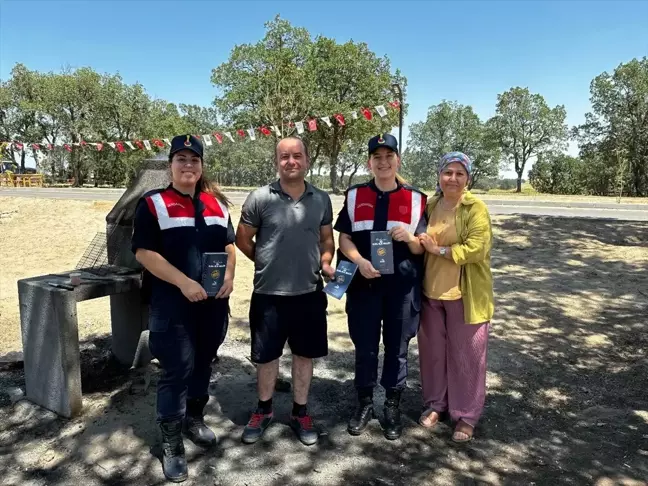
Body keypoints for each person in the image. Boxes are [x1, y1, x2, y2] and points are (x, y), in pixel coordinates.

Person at [131, 134, 236, 482]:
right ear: (171, 165)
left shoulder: (216, 204)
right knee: (177, 369)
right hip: (173, 304)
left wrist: (230, 277)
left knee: (204, 362)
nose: (187, 165)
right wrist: (183, 282)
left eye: (194, 159)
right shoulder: (153, 203)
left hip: (213, 304)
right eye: (181, 159)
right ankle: (171, 442)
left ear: (202, 165)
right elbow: (144, 253)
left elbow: (229, 246)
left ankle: (194, 417)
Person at [235, 136, 335, 446]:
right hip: (268, 294)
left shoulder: (321, 199)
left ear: (307, 160)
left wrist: (327, 261)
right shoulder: (259, 198)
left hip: (308, 294)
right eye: (284, 157)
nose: (291, 162)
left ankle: (300, 412)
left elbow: (326, 240)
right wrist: (265, 261)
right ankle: (263, 410)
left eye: (297, 156)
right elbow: (242, 239)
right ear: (276, 161)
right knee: (267, 357)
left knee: (304, 356)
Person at [333, 133, 428, 440]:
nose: (383, 162)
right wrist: (359, 261)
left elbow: (421, 248)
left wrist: (411, 239)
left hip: (402, 288)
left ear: (397, 160)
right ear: (369, 162)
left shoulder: (417, 199)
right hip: (364, 286)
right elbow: (344, 237)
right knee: (365, 348)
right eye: (377, 157)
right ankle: (364, 404)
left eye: (389, 156)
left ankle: (391, 404)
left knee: (397, 349)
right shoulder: (355, 194)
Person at [416, 151, 494, 443]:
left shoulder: (475, 207)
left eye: (459, 173)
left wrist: (442, 251)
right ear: (439, 175)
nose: (453, 178)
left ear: (468, 178)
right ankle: (436, 404)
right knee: (433, 354)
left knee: (467, 357)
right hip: (431, 292)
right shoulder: (431, 204)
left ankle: (466, 415)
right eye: (448, 172)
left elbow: (478, 248)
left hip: (466, 294)